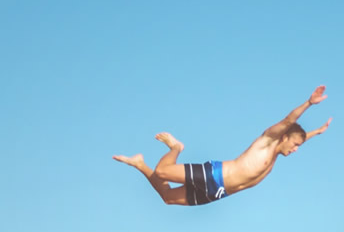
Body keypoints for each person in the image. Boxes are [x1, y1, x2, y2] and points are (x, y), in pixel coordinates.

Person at [113, 87, 331, 206]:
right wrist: (309, 104)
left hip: (218, 192)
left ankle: (140, 163)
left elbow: (295, 136)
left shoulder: (277, 153)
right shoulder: (267, 141)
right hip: (213, 175)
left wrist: (317, 132)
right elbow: (287, 121)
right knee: (162, 172)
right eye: (294, 145)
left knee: (168, 198)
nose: (296, 150)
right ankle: (176, 148)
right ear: (284, 137)